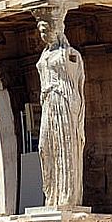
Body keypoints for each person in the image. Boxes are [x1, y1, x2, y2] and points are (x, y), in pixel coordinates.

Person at [36, 19, 85, 207]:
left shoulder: (70, 54)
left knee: (65, 146)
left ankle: (67, 196)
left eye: (46, 29)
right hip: (48, 102)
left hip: (64, 101)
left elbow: (77, 80)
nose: (43, 34)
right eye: (41, 31)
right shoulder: (44, 54)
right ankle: (51, 194)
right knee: (45, 146)